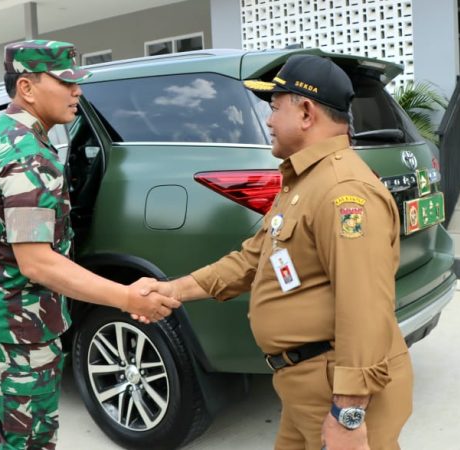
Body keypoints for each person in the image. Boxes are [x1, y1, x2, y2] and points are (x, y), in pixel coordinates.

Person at [143, 54, 414, 449]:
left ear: (306, 112)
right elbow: (251, 259)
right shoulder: (305, 182)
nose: (269, 121)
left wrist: (349, 416)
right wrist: (173, 291)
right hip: (303, 384)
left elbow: (365, 307)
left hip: (335, 390)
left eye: (274, 108)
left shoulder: (343, 192)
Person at [0, 39, 180, 450]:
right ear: (27, 88)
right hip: (17, 327)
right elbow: (38, 263)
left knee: (4, 429)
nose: (77, 91)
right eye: (66, 82)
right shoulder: (27, 156)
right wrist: (127, 297)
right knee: (31, 439)